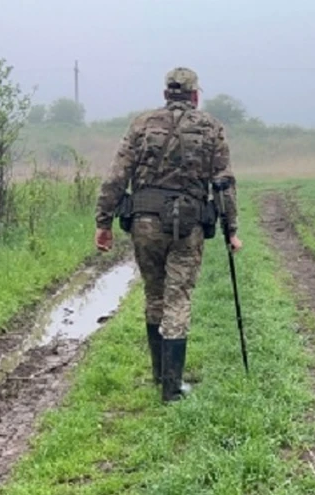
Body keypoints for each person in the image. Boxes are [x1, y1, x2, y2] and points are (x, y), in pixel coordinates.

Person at [93, 67, 242, 402]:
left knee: (154, 295)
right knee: (178, 299)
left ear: (165, 94)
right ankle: (172, 389)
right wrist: (231, 229)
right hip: (187, 225)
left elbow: (116, 176)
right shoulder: (211, 127)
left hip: (144, 224)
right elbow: (223, 183)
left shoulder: (141, 124)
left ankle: (160, 376)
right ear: (194, 95)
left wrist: (103, 222)